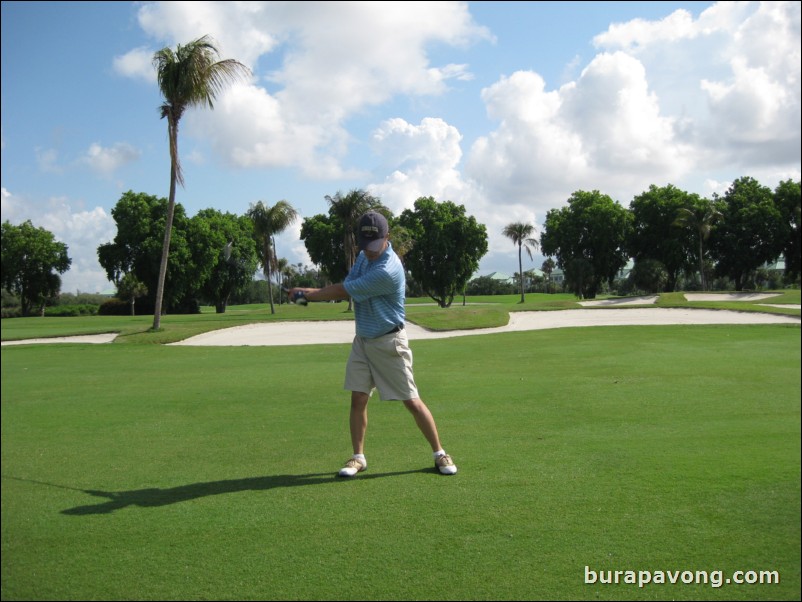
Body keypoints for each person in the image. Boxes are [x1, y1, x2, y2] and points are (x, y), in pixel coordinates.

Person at [288, 210, 457, 477]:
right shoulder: (364, 258)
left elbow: (345, 291)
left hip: (389, 342)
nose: (370, 250)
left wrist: (305, 295)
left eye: (375, 244)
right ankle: (358, 457)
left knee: (411, 401)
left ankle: (440, 453)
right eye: (365, 245)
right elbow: (347, 283)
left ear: (386, 237)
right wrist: (306, 293)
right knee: (358, 398)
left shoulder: (387, 270)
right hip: (363, 341)